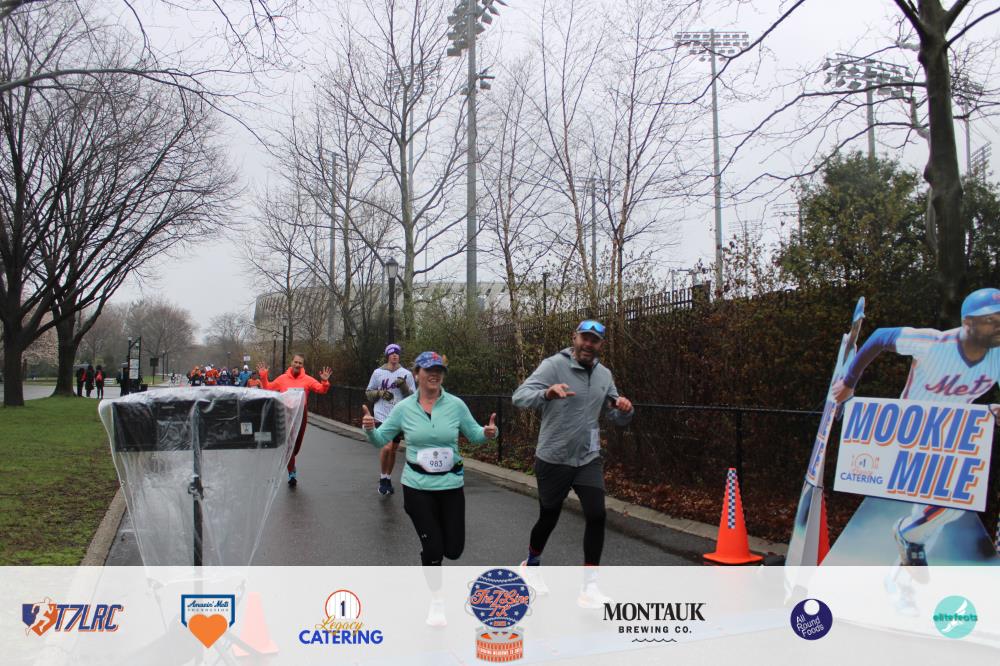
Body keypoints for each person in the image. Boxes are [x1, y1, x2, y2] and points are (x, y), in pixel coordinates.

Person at [832, 287, 1000, 568]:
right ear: (967, 322)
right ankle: (907, 539)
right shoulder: (934, 343)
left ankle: (906, 562)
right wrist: (849, 382)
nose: (998, 327)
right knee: (950, 507)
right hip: (910, 433)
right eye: (990, 320)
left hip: (949, 437)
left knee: (947, 510)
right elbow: (880, 337)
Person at [362, 351, 497, 626]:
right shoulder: (404, 408)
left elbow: (474, 435)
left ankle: (430, 554)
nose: (435, 374)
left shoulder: (455, 405)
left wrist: (488, 433)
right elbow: (380, 440)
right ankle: (437, 600)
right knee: (434, 547)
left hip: (451, 485)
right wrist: (369, 429)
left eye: (439, 370)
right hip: (417, 486)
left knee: (454, 550)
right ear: (417, 374)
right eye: (428, 370)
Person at [512, 319, 634, 608]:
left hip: (587, 458)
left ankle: (589, 587)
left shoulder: (604, 375)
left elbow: (614, 414)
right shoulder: (553, 365)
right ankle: (531, 564)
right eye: (584, 338)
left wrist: (625, 410)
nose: (588, 344)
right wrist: (546, 393)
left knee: (597, 515)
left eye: (594, 340)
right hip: (554, 457)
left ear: (601, 344)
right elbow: (519, 397)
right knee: (549, 516)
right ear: (574, 338)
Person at [258, 354, 332, 487]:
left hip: (301, 414)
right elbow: (268, 387)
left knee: (296, 446)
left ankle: (291, 460)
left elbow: (321, 390)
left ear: (302, 365)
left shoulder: (307, 379)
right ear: (291, 363)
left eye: (300, 363)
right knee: (288, 444)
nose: (297, 365)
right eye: (296, 362)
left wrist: (325, 382)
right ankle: (291, 472)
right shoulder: (282, 378)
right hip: (286, 413)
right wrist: (263, 376)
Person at [366, 343, 416, 496]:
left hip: (398, 416)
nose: (395, 355)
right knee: (386, 447)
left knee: (393, 449)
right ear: (387, 355)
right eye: (392, 353)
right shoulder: (378, 373)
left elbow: (413, 397)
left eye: (397, 353)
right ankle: (382, 478)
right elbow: (368, 392)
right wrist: (379, 393)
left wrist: (404, 387)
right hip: (381, 414)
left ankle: (388, 478)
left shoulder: (406, 374)